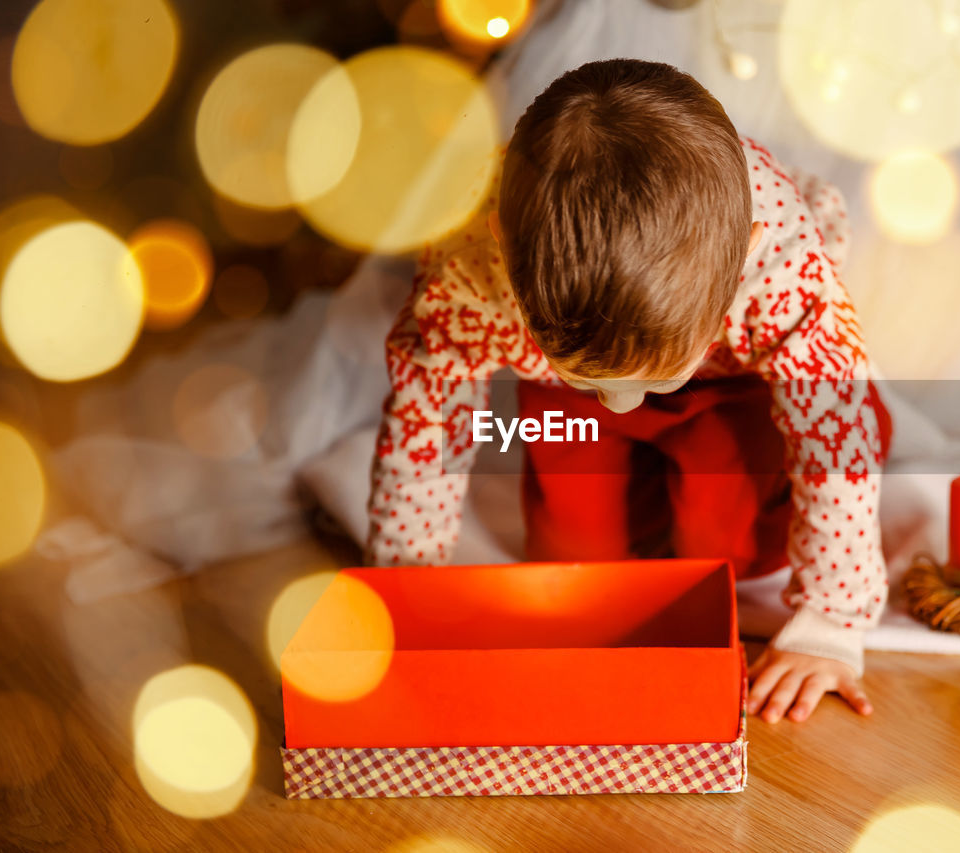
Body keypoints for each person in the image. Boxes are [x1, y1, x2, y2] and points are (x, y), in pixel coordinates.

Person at [366, 59, 891, 723]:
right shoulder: (465, 263)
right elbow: (427, 420)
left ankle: (666, 404)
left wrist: (831, 625)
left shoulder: (782, 266)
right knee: (576, 574)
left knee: (721, 548)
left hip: (731, 387)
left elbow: (833, 431)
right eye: (596, 378)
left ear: (744, 258)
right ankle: (608, 393)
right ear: (505, 249)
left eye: (650, 378)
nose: (623, 400)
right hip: (564, 403)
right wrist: (405, 588)